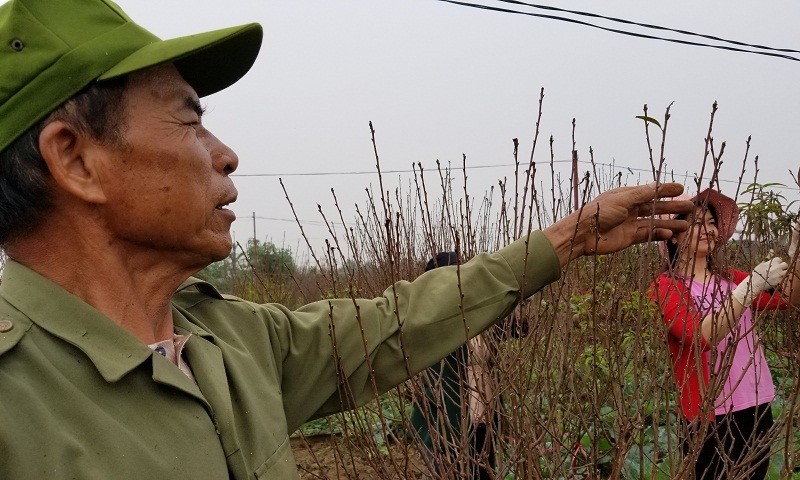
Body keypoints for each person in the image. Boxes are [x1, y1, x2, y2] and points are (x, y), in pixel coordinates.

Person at [0, 0, 693, 478]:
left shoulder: (234, 342)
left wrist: (568, 237)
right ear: (76, 158)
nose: (226, 153)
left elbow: (398, 321)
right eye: (189, 120)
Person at [649, 188, 800, 479]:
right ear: (674, 236)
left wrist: (797, 247)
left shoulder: (731, 278)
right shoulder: (665, 287)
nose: (707, 229)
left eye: (710, 222)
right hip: (708, 414)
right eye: (695, 223)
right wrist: (748, 289)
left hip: (755, 401)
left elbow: (789, 298)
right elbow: (699, 337)